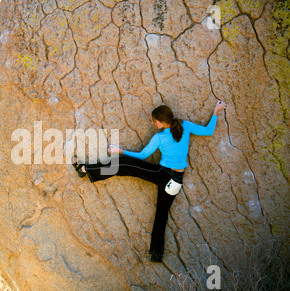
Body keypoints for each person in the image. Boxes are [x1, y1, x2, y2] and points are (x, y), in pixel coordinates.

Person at [72, 101, 227, 262]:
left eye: (154, 120)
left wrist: (119, 150)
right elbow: (208, 131)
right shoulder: (185, 126)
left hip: (162, 174)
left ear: (161, 121)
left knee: (123, 163)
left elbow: (141, 156)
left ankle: (85, 169)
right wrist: (216, 111)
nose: (152, 123)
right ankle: (156, 254)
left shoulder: (159, 137)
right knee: (161, 214)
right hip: (177, 180)